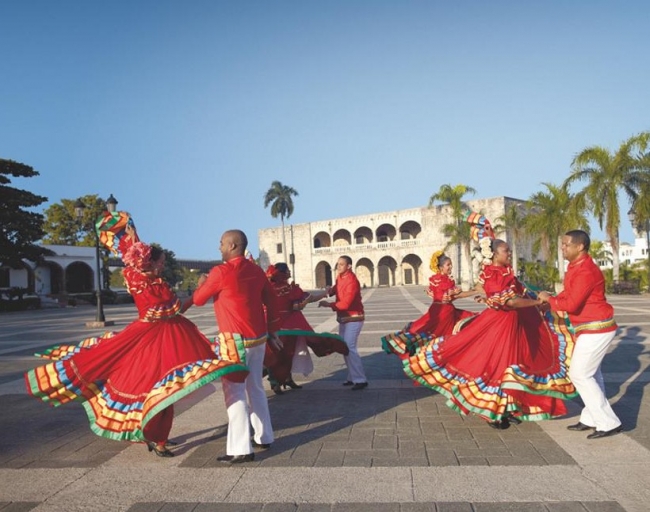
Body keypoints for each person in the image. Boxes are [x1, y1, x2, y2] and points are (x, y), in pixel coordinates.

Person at [25, 217, 248, 458]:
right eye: (160, 262)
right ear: (151, 263)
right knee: (164, 387)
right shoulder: (156, 287)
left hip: (147, 333)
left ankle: (153, 434)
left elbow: (133, 255)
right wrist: (198, 291)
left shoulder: (134, 275)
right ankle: (157, 437)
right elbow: (174, 309)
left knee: (157, 386)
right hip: (163, 337)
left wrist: (133, 237)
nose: (163, 265)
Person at [401, 224, 576, 428]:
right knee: (495, 364)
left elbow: (521, 290)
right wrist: (538, 303)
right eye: (505, 250)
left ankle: (505, 407)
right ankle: (491, 412)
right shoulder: (492, 274)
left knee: (511, 364)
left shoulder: (505, 271)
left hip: (513, 325)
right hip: (498, 326)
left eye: (509, 250)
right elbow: (509, 302)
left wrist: (542, 296)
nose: (509, 253)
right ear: (493, 254)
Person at [188, 230, 281, 463]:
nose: (218, 247)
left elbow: (199, 300)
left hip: (234, 341)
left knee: (235, 393)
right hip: (258, 339)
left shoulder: (221, 272)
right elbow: (272, 299)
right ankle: (264, 436)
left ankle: (241, 448)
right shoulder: (255, 270)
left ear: (232, 246)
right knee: (256, 388)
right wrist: (273, 330)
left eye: (221, 243)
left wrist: (201, 284)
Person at [538, 230, 622, 439]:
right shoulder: (575, 267)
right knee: (592, 375)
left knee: (580, 374)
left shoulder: (586, 271)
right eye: (563, 244)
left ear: (580, 247)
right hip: (590, 327)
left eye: (566, 244)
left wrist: (550, 300)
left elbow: (572, 304)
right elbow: (569, 294)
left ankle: (608, 422)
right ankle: (591, 418)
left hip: (597, 327)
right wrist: (551, 302)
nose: (563, 248)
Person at [264, 262, 349, 394]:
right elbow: (308, 299)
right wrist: (325, 293)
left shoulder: (267, 287)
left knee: (277, 353)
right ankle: (280, 381)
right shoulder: (289, 289)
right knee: (286, 353)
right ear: (283, 273)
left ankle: (281, 381)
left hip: (273, 325)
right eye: (287, 270)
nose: (289, 272)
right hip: (289, 325)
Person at [381, 250, 476, 358]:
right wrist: (475, 291)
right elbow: (456, 296)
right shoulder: (444, 281)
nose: (450, 267)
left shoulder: (436, 279)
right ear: (441, 267)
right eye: (448, 265)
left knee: (429, 331)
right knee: (440, 335)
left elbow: (442, 296)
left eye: (451, 265)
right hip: (444, 312)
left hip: (437, 309)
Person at [319, 256, 368, 390]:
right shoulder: (340, 277)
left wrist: (328, 305)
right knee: (344, 348)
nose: (338, 267)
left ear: (349, 266)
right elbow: (335, 289)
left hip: (354, 317)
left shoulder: (352, 281)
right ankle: (352, 377)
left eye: (341, 264)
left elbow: (346, 304)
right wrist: (328, 292)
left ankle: (360, 379)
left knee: (350, 347)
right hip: (343, 319)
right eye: (338, 264)